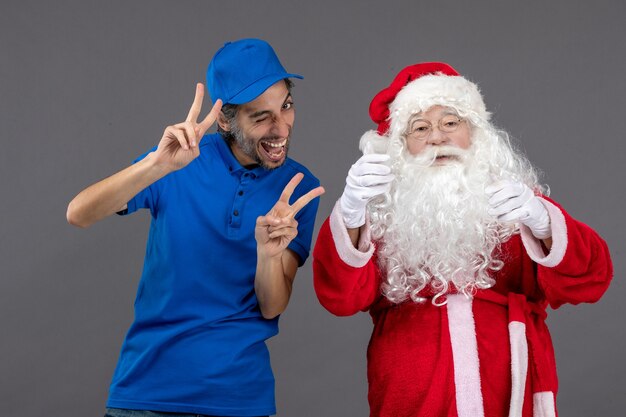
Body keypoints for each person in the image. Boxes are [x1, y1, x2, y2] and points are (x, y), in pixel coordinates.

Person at [312, 62, 612, 417]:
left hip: (507, 388)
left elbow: (593, 279)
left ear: (475, 132)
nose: (437, 138)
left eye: (450, 123)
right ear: (401, 146)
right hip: (412, 393)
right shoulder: (379, 213)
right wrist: (350, 212)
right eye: (420, 128)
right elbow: (339, 298)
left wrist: (542, 220)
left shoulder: (515, 200)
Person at [67, 38, 324, 417]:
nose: (281, 127)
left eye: (286, 106)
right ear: (225, 120)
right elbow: (79, 213)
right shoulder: (177, 163)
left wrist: (268, 256)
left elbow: (271, 307)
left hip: (240, 399)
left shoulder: (298, 188)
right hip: (147, 393)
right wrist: (155, 166)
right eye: (260, 116)